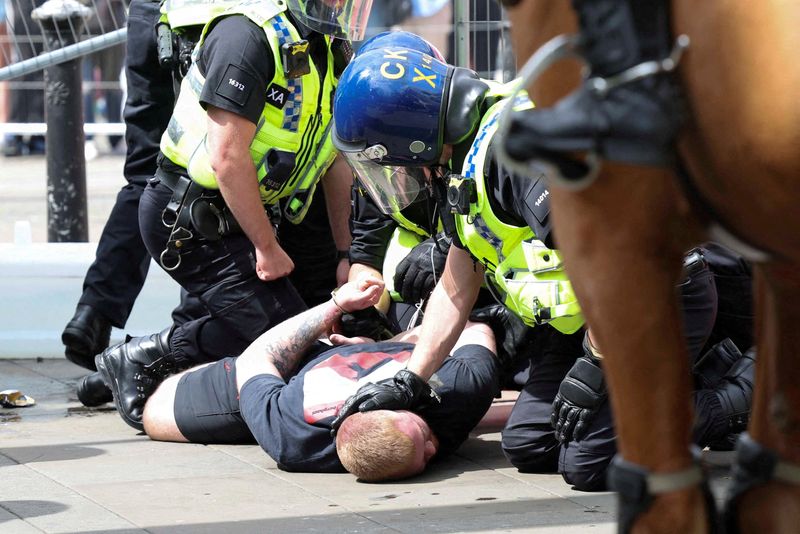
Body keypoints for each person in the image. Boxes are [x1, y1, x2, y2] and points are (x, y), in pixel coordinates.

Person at [328, 39, 755, 489]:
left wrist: (594, 363)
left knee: (589, 463)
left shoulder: (521, 157)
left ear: (410, 139)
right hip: (588, 318)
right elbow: (457, 284)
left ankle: (746, 391)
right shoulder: (463, 151)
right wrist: (411, 378)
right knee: (533, 443)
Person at [95, 0, 371, 431]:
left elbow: (332, 160)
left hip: (245, 216)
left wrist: (344, 253)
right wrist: (267, 247)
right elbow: (226, 157)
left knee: (303, 333)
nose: (343, 7)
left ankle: (158, 358)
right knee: (296, 346)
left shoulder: (329, 47)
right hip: (190, 221)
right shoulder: (247, 36)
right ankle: (144, 357)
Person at [141, 275, 501, 481]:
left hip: (307, 362)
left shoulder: (292, 435)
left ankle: (155, 352)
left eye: (424, 451)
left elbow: (256, 360)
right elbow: (473, 331)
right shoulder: (461, 389)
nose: (434, 447)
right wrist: (347, 314)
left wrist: (345, 315)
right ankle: (160, 349)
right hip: (358, 351)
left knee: (155, 414)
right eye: (426, 441)